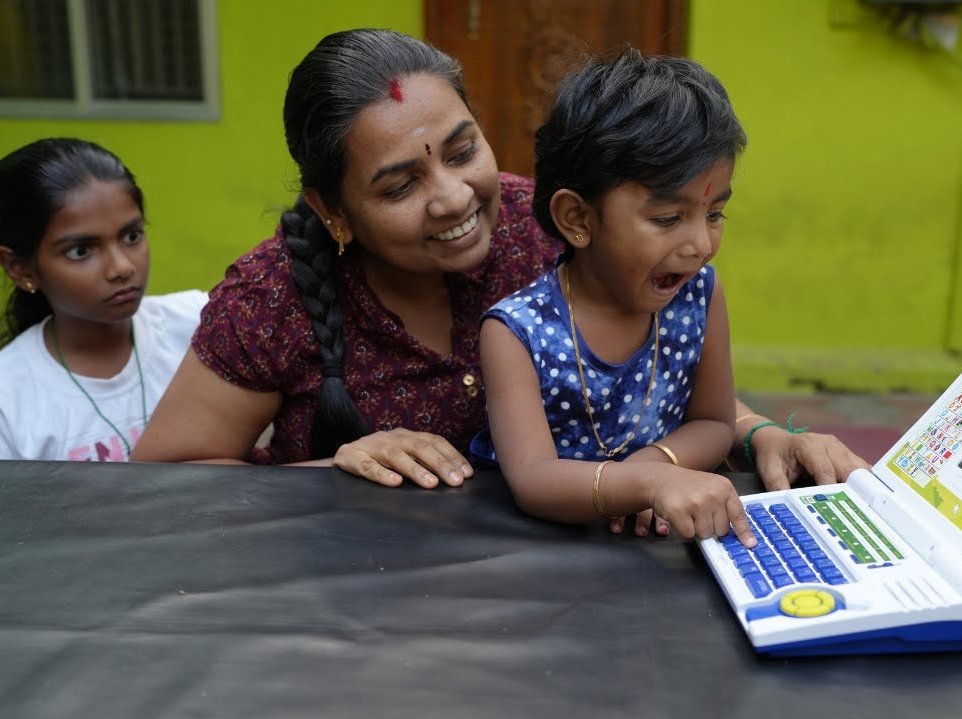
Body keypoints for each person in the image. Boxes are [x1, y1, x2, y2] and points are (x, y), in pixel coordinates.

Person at [132, 28, 866, 495]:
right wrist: (335, 467)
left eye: (462, 151)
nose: (453, 198)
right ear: (333, 212)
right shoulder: (274, 296)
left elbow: (652, 373)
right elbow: (162, 479)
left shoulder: (546, 224)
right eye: (400, 184)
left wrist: (764, 433)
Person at [472, 48, 760, 542]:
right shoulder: (518, 332)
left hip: (654, 545)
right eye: (668, 218)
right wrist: (649, 482)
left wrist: (655, 466)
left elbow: (714, 421)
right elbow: (534, 479)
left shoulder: (699, 297)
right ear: (579, 219)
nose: (700, 246)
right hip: (537, 557)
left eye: (714, 214)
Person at [0, 138, 207, 461]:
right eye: (81, 251)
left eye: (132, 236)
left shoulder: (200, 326)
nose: (122, 267)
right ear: (18, 267)